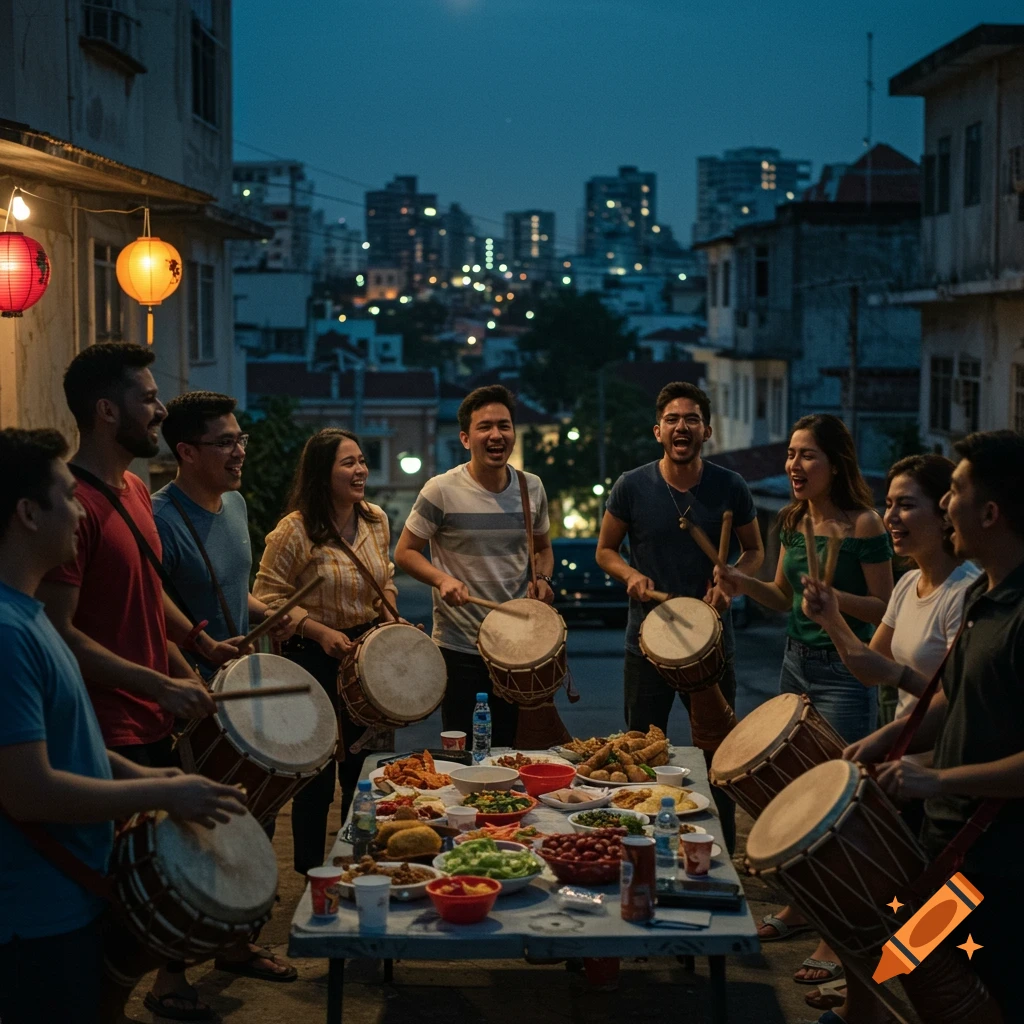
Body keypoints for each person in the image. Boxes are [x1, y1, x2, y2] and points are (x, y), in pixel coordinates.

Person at [0, 428, 247, 1024]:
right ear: (29, 514)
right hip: (33, 916)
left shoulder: (32, 619)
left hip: (71, 897)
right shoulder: (8, 636)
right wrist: (162, 789)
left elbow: (72, 750)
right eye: (68, 495)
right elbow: (27, 789)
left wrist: (153, 781)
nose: (81, 508)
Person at [802, 431, 1024, 1024]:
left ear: (991, 512)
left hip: (1000, 860)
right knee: (913, 973)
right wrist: (889, 741)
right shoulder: (983, 593)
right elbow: (958, 705)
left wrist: (938, 781)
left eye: (953, 492)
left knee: (978, 1000)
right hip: (948, 844)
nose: (947, 505)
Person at [715, 413, 893, 985]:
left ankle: (838, 934)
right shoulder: (791, 520)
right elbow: (782, 596)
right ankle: (799, 907)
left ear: (835, 464)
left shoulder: (865, 524)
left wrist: (833, 599)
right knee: (796, 796)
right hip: (796, 662)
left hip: (845, 670)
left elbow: (886, 607)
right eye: (791, 454)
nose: (794, 464)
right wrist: (743, 584)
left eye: (807, 455)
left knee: (838, 808)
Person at [154, 390, 298, 984]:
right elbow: (149, 608)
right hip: (195, 698)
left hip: (246, 688)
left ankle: (237, 946)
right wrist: (186, 680)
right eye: (226, 442)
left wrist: (271, 610)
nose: (240, 451)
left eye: (242, 438)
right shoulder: (162, 518)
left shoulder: (234, 504)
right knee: (198, 838)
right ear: (186, 451)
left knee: (255, 824)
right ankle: (170, 977)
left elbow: (231, 593)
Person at [595, 381, 764, 854]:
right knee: (635, 756)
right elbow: (606, 550)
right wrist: (630, 574)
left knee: (718, 756)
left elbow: (754, 551)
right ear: (658, 430)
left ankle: (719, 852)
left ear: (706, 430)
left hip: (713, 644)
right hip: (645, 644)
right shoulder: (632, 485)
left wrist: (733, 580)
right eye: (672, 419)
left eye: (691, 418)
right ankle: (640, 848)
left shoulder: (729, 486)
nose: (681, 426)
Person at [254, 428, 401, 875]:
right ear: (322, 473)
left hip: (366, 657)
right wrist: (317, 631)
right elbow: (265, 597)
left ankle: (361, 867)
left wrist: (392, 617)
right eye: (348, 463)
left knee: (366, 776)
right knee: (314, 779)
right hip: (311, 658)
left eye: (361, 461)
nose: (360, 470)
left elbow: (385, 577)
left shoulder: (375, 518)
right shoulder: (294, 530)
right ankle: (312, 877)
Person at [395, 384, 555, 747]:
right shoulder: (440, 490)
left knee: (517, 753)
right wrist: (442, 580)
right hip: (459, 647)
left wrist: (543, 577)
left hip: (517, 646)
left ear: (513, 434)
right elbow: (405, 552)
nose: (496, 435)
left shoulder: (532, 488)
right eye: (485, 427)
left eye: (504, 425)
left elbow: (543, 548)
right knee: (463, 755)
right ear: (466, 438)